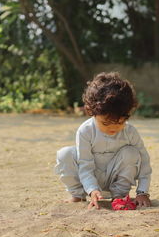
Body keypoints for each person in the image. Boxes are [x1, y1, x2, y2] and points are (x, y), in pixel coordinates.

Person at [55, 72, 152, 209]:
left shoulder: (130, 132)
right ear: (92, 112)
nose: (113, 128)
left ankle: (119, 197)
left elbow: (144, 162)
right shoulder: (85, 131)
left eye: (119, 123)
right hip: (90, 180)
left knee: (132, 152)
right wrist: (92, 189)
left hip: (116, 179)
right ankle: (78, 195)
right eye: (105, 123)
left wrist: (143, 192)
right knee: (65, 154)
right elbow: (85, 165)